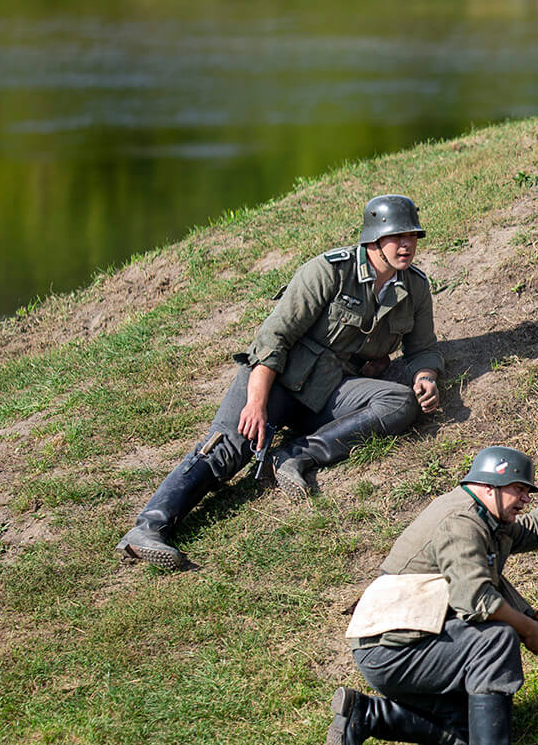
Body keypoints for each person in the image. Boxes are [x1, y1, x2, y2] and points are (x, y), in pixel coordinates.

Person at [116, 195, 442, 569]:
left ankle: (294, 455)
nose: (406, 244)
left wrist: (425, 377)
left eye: (412, 236)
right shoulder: (328, 271)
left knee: (400, 402)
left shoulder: (414, 287)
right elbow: (273, 341)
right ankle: (148, 528)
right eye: (396, 236)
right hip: (277, 383)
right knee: (227, 447)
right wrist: (255, 404)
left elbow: (423, 348)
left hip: (330, 393)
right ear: (373, 239)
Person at [328, 444, 538, 745]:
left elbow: (536, 529)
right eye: (518, 489)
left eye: (527, 492)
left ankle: (368, 715)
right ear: (488, 487)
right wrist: (530, 630)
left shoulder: (486, 516)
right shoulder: (462, 521)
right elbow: (476, 599)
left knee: (469, 727)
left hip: (407, 641)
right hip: (391, 648)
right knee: (494, 639)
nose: (525, 499)